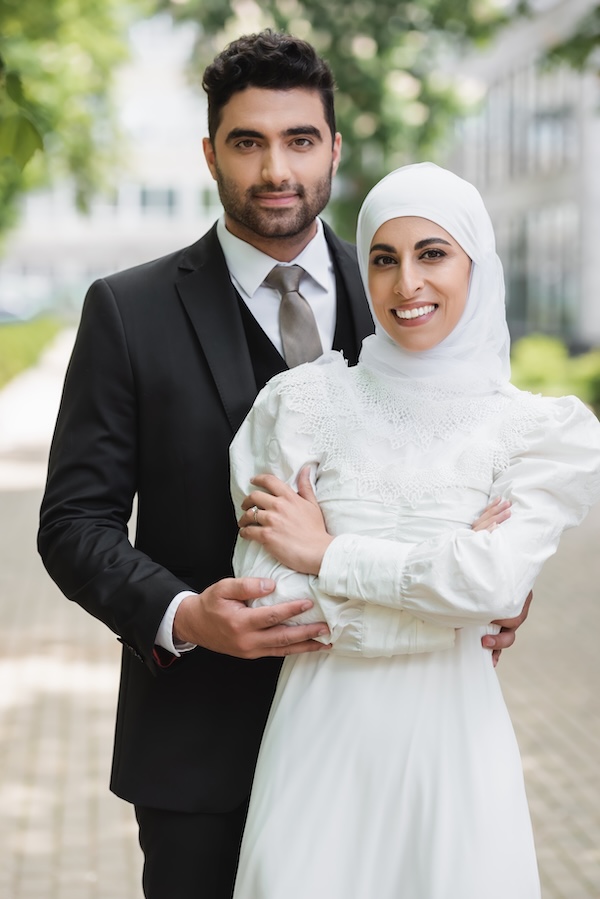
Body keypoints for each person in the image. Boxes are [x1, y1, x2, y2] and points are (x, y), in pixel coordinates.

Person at [37, 32, 526, 899]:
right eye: (248, 141)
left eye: (300, 140)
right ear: (209, 153)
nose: (276, 169)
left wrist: (496, 582)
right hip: (198, 748)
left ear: (334, 148)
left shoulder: (408, 294)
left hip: (385, 737)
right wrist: (184, 615)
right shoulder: (128, 309)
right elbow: (74, 522)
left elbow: (477, 475)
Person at [229, 162, 600, 898]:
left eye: (433, 254)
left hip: (454, 756)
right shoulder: (298, 405)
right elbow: (274, 598)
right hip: (318, 750)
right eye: (383, 258)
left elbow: (490, 583)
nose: (407, 285)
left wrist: (329, 550)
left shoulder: (535, 431)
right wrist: (451, 597)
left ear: (476, 264)